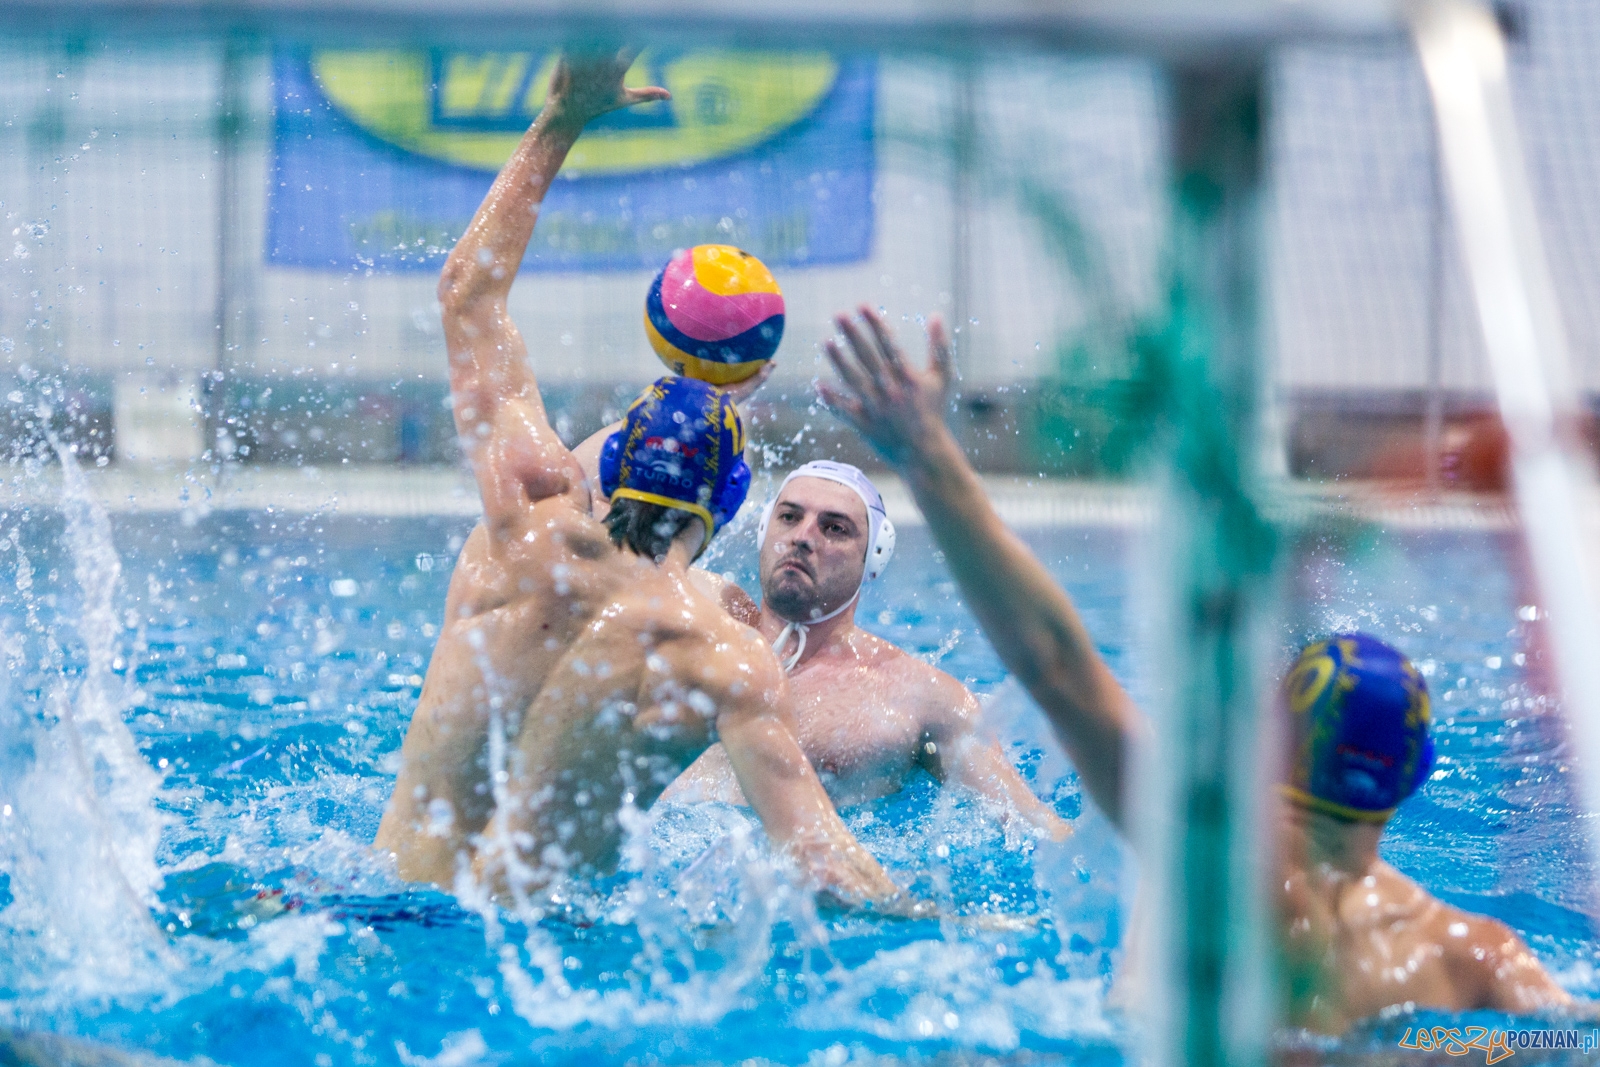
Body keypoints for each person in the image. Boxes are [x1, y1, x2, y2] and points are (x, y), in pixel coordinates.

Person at [816, 305, 1576, 1031]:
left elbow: (1050, 658)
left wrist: (930, 456)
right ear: (1414, 775)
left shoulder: (1198, 849)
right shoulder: (1478, 955)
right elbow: (1558, 1040)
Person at [371, 53, 908, 912]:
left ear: (608, 462)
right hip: (519, 957)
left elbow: (467, 294)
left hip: (365, 903)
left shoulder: (523, 529)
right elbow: (828, 869)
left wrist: (562, 121)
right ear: (734, 501)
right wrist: (960, 918)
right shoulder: (722, 652)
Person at [654, 459, 1070, 839]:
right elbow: (596, 534)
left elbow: (1035, 827)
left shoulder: (919, 698)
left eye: (834, 528)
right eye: (789, 517)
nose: (802, 537)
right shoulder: (691, 607)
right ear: (765, 531)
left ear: (874, 558)